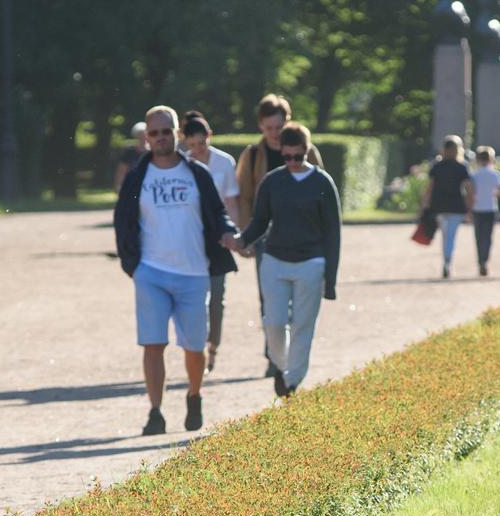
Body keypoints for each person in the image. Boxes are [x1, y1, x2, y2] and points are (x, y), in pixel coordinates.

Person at [113, 105, 237, 434]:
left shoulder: (197, 174)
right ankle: (155, 412)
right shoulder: (138, 177)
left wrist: (228, 233)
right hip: (151, 272)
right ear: (146, 138)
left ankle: (194, 396)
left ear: (177, 134)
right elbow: (122, 220)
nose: (160, 137)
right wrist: (133, 265)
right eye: (154, 133)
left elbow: (218, 213)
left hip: (194, 274)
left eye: (166, 131)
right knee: (153, 344)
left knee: (194, 347)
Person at [232, 121, 340, 397]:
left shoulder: (322, 183)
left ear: (307, 150)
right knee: (274, 323)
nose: (292, 162)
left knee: (303, 325)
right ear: (282, 152)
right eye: (287, 156)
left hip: (311, 263)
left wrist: (331, 281)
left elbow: (332, 234)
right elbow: (260, 221)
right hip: (275, 260)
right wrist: (241, 240)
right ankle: (281, 366)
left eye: (298, 156)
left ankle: (292, 381)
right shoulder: (272, 182)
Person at [181, 112, 239, 371]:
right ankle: (196, 349)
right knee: (193, 297)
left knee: (216, 298)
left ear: (209, 137)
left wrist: (237, 235)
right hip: (190, 239)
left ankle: (213, 345)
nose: (196, 150)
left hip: (217, 239)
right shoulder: (181, 165)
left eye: (200, 144)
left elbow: (232, 202)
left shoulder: (224, 163)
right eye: (191, 145)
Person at [422, 136, 472, 278]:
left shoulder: (436, 166)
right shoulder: (462, 167)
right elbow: (469, 188)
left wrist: (424, 205)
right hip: (456, 206)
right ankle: (447, 261)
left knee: (445, 235)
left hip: (439, 205)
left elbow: (429, 189)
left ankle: (446, 261)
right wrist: (470, 206)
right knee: (450, 236)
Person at [468, 146, 500, 277]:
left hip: (477, 208)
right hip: (490, 208)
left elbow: (471, 193)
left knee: (478, 237)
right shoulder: (495, 174)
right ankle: (485, 260)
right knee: (488, 237)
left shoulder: (474, 175)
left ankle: (480, 260)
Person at [113, 121, 149, 193]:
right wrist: (118, 185)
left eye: (145, 134)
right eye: (140, 135)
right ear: (136, 136)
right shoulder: (129, 152)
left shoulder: (153, 152)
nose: (143, 137)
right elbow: (121, 170)